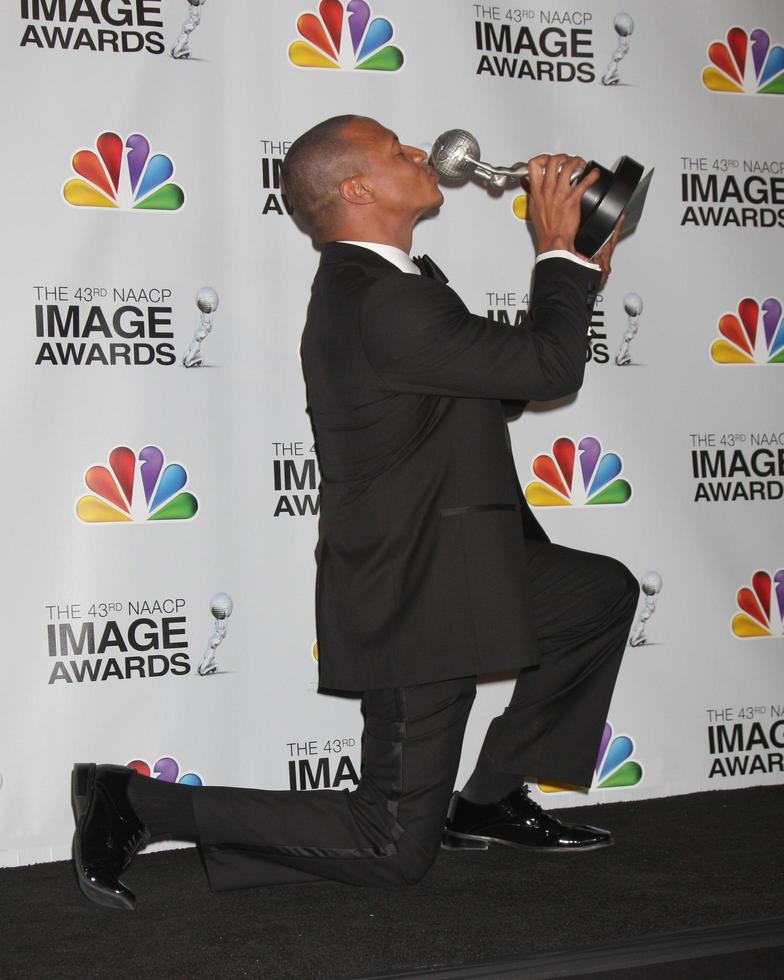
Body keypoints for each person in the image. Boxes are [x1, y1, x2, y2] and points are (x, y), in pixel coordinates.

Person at [71, 115, 638, 911]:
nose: (421, 152)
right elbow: (548, 366)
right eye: (397, 150)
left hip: (462, 567)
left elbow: (505, 384)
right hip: (416, 594)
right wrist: (556, 253)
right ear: (357, 188)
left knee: (598, 595)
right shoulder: (379, 300)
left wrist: (581, 266)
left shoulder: (394, 288)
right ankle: (133, 802)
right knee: (391, 846)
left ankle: (488, 799)